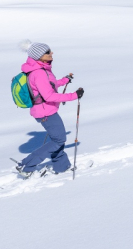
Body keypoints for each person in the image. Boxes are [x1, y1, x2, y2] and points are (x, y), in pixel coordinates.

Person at [15, 42, 84, 177]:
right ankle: (27, 165)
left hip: (45, 110)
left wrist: (64, 80)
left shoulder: (40, 68)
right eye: (47, 52)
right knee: (58, 140)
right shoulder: (39, 73)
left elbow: (49, 85)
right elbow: (49, 95)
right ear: (39, 56)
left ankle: (61, 166)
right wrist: (74, 95)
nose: (51, 53)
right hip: (46, 112)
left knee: (58, 139)